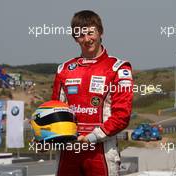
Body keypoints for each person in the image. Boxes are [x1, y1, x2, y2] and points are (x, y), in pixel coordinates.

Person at [51, 10, 133, 176]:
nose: (87, 39)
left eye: (90, 32)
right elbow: (55, 112)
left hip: (101, 152)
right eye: (80, 35)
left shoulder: (118, 68)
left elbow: (122, 116)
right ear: (74, 38)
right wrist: (45, 137)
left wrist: (90, 138)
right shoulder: (64, 69)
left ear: (100, 32)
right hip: (69, 151)